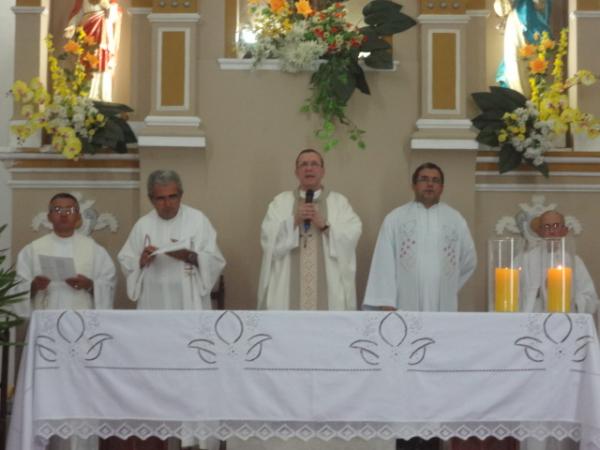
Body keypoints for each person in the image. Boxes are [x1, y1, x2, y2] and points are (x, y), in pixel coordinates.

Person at [14, 192, 116, 450]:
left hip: (81, 337)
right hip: (47, 336)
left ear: (78, 217)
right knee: (47, 394)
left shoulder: (94, 250)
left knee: (80, 393)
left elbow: (109, 284)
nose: (63, 214)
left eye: (69, 210)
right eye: (57, 210)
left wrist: (91, 285)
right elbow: (18, 289)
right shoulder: (33, 250)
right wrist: (33, 287)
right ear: (49, 216)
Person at [363, 162, 477, 312]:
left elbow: (468, 260)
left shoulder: (455, 220)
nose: (430, 184)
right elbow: (383, 262)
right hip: (403, 303)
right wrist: (387, 301)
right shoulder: (396, 218)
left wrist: (448, 284)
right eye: (424, 179)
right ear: (414, 185)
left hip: (443, 305)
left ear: (442, 187)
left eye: (435, 181)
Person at [257, 148, 362, 310]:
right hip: (286, 292)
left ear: (323, 171)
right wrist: (293, 221)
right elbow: (267, 239)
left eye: (314, 164)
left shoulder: (339, 202)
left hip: (329, 290)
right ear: (296, 172)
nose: (309, 168)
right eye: (303, 164)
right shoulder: (280, 202)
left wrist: (325, 226)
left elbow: (352, 235)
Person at [118, 169, 225, 311]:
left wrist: (190, 256)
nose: (167, 204)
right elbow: (126, 259)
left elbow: (216, 261)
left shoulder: (198, 220)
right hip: (153, 298)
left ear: (181, 195)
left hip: (189, 299)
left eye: (172, 197)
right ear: (151, 199)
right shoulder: (143, 225)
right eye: (161, 198)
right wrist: (140, 261)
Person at [521, 210, 599, 313]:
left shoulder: (574, 261)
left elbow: (590, 299)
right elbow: (513, 295)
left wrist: (567, 296)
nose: (552, 231)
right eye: (546, 227)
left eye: (556, 226)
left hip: (567, 322)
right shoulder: (524, 260)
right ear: (539, 232)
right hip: (534, 321)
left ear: (564, 231)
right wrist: (542, 291)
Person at [64, 0, 122, 101]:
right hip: (87, 32)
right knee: (86, 60)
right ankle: (86, 94)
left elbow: (115, 15)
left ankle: (101, 95)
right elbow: (78, 13)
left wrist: (108, 7)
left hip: (103, 33)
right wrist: (71, 26)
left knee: (101, 59)